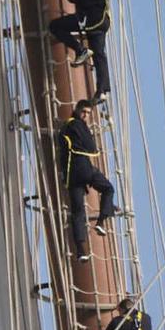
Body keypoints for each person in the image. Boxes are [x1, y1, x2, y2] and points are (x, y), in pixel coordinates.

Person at [49, 0, 111, 98]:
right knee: (99, 54)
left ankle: (80, 49)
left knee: (55, 26)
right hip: (102, 19)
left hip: (88, 19)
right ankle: (102, 90)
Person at [56, 97, 116, 260]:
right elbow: (90, 147)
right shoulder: (77, 125)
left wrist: (63, 175)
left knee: (78, 212)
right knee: (108, 188)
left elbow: (63, 152)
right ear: (77, 110)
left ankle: (81, 250)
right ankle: (101, 221)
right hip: (84, 169)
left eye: (88, 113)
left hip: (71, 174)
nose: (85, 115)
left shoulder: (65, 127)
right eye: (84, 112)